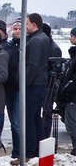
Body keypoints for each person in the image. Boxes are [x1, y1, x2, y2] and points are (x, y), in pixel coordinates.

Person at [24, 13, 51, 158]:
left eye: (27, 23)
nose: (25, 26)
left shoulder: (35, 41)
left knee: (29, 118)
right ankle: (39, 150)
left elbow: (33, 65)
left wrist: (24, 84)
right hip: (40, 83)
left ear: (34, 25)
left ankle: (31, 151)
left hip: (34, 85)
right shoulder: (44, 38)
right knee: (35, 118)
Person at [4, 19, 21, 158]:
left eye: (19, 29)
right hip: (8, 87)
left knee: (17, 122)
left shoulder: (27, 45)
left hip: (19, 88)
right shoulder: (9, 46)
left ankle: (19, 151)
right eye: (15, 29)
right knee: (12, 120)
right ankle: (16, 150)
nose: (16, 31)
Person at [58, 27, 76, 155]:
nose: (70, 38)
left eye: (72, 35)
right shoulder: (73, 55)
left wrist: (66, 89)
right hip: (71, 96)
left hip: (73, 98)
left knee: (72, 125)